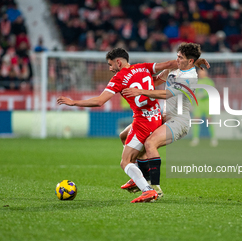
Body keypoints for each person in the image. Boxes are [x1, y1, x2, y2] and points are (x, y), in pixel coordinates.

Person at [57, 48, 183, 203]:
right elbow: (170, 63)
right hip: (155, 116)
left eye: (110, 64)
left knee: (125, 162)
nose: (110, 68)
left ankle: (148, 189)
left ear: (118, 62)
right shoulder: (143, 67)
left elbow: (99, 101)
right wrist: (193, 62)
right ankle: (138, 177)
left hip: (142, 122)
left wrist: (74, 102)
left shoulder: (119, 78)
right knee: (123, 136)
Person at [120, 43, 206, 197]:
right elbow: (155, 81)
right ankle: (140, 178)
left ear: (190, 61)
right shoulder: (175, 68)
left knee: (150, 143)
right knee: (125, 136)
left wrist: (140, 91)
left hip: (179, 120)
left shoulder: (190, 78)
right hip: (164, 116)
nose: (177, 60)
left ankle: (155, 188)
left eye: (180, 57)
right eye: (177, 56)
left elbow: (166, 94)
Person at [190, 68, 217, 147]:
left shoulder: (209, 81)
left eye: (202, 72)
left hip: (207, 104)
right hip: (198, 105)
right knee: (196, 121)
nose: (200, 73)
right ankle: (195, 139)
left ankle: (213, 138)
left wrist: (204, 95)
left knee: (209, 121)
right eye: (199, 72)